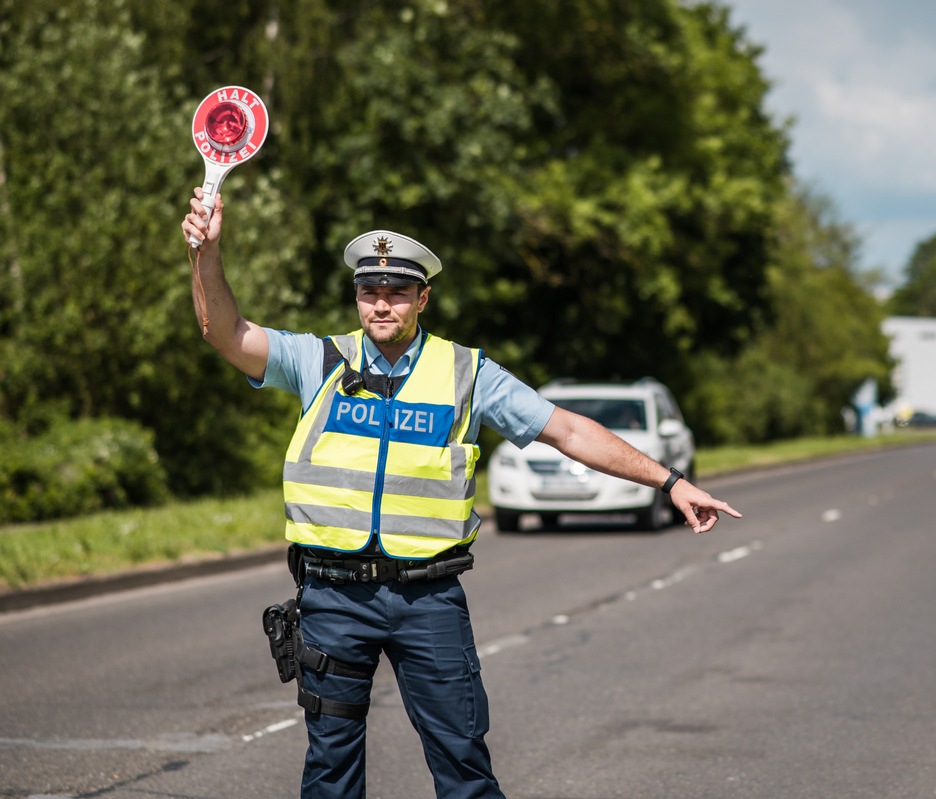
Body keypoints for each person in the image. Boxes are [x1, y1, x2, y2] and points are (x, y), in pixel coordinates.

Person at [181, 188, 742, 799]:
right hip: (334, 598)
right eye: (371, 291)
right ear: (357, 297)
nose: (382, 305)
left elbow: (570, 430)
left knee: (464, 768)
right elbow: (223, 330)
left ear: (423, 297)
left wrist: (670, 481)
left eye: (398, 292)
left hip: (428, 602)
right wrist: (205, 255)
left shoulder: (467, 373)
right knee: (329, 772)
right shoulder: (319, 361)